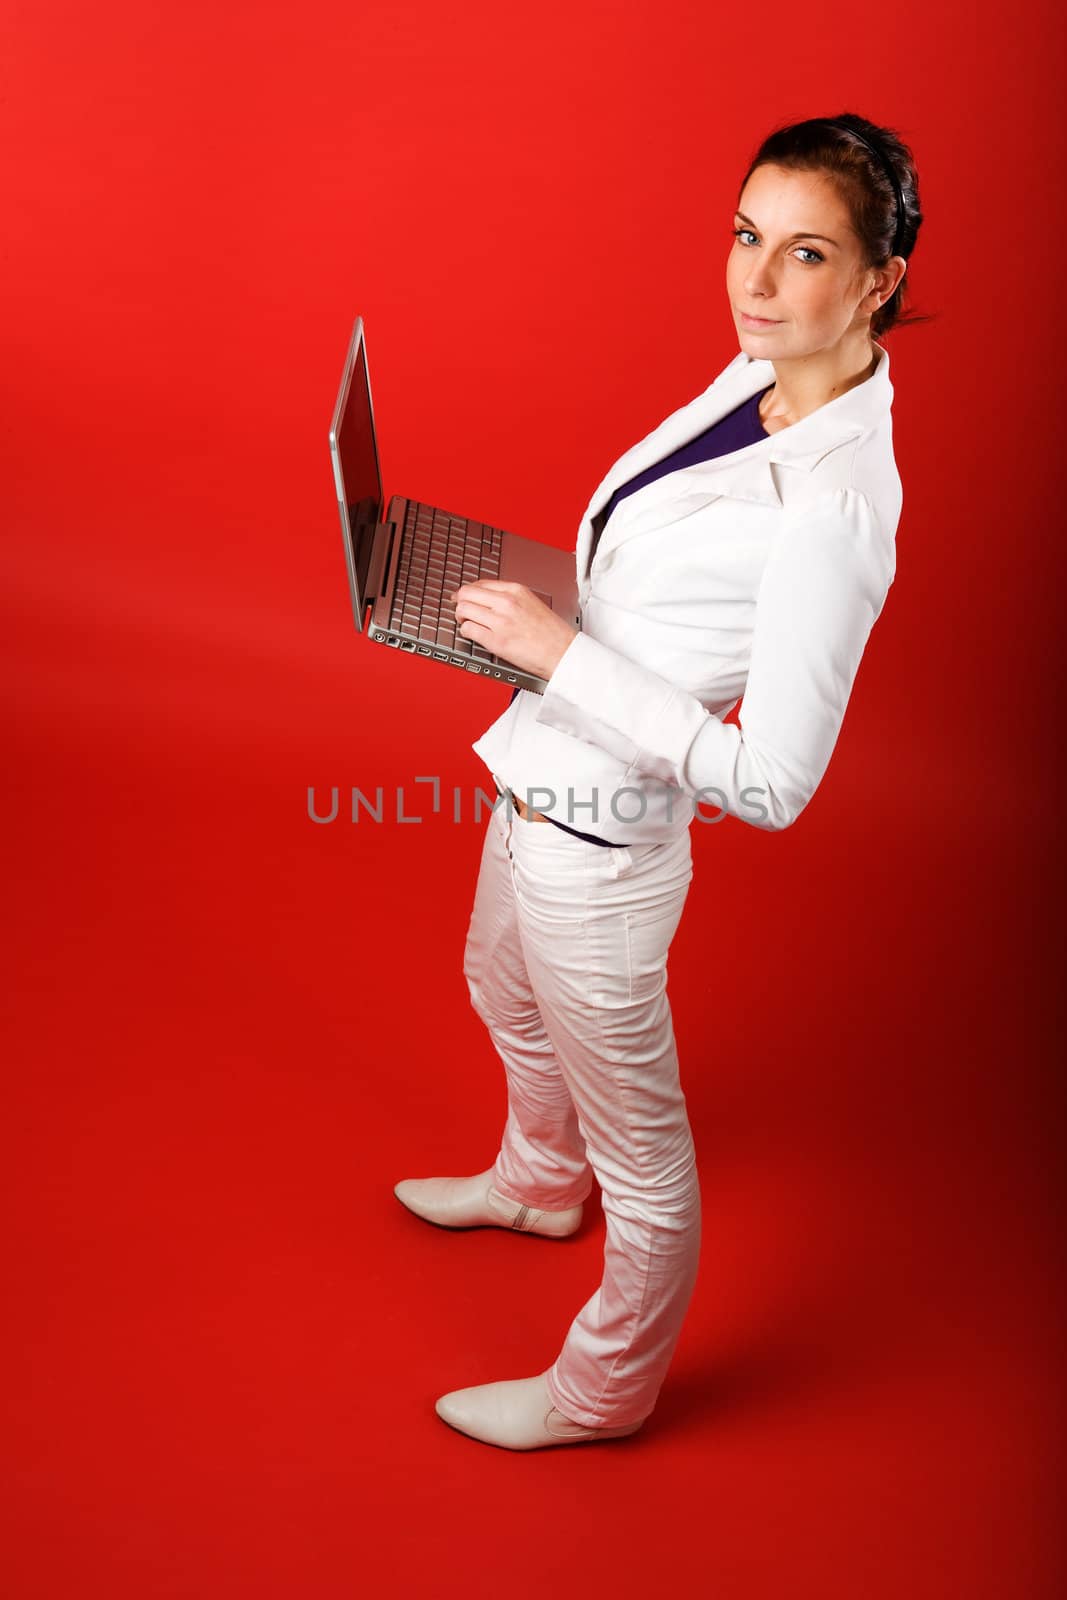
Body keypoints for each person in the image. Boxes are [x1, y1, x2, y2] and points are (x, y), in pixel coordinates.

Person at [394, 111, 924, 1450]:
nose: (756, 280)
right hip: (540, 771)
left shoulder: (838, 508)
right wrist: (552, 618)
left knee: (651, 1159)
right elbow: (658, 564)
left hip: (605, 843)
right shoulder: (769, 371)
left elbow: (778, 777)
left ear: (880, 281)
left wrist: (563, 654)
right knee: (493, 982)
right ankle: (532, 1180)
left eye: (806, 254)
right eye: (747, 237)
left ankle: (602, 1390)